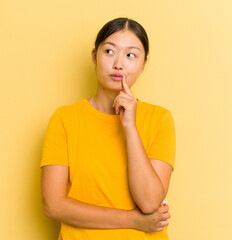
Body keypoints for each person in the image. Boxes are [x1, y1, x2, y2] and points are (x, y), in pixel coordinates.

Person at [40, 17, 176, 240]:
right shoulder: (64, 118)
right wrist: (134, 220)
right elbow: (53, 205)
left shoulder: (160, 119)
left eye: (130, 55)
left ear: (143, 64)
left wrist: (130, 127)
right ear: (95, 56)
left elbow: (150, 202)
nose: (118, 64)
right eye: (110, 52)